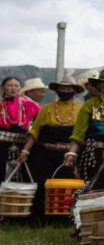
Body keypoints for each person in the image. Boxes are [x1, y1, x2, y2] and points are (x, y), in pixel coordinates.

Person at [15, 76, 84, 216]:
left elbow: (81, 134)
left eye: (68, 88)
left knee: (68, 186)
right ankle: (41, 217)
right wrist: (26, 150)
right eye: (62, 88)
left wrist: (73, 152)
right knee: (42, 185)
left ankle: (66, 217)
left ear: (74, 91)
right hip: (44, 154)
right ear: (57, 90)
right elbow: (34, 131)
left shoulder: (81, 110)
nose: (65, 90)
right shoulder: (46, 109)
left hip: (69, 154)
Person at [66, 69, 104, 188]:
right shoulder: (89, 105)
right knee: (95, 189)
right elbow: (78, 134)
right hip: (94, 155)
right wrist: (71, 152)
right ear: (99, 85)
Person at [2, 76, 39, 177]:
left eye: (16, 86)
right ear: (3, 88)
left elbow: (40, 121)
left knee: (23, 173)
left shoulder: (30, 104)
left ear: (20, 88)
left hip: (23, 144)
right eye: (10, 85)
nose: (13, 88)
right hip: (2, 144)